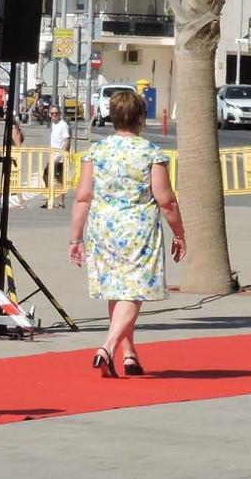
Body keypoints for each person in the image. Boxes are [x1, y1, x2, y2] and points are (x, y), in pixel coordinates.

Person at [67, 88, 184, 377]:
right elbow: (165, 199)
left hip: (102, 228)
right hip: (138, 228)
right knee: (134, 289)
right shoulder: (149, 153)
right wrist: (179, 233)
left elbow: (83, 196)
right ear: (140, 118)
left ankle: (129, 354)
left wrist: (75, 237)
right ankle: (106, 348)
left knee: (116, 289)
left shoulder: (97, 151)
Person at [44, 103, 72, 209]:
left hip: (60, 158)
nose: (54, 115)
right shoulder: (53, 125)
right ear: (50, 115)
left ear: (59, 114)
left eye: (56, 113)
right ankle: (49, 199)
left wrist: (60, 155)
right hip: (53, 155)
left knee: (60, 180)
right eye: (52, 113)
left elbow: (66, 141)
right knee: (46, 176)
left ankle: (61, 203)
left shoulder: (63, 125)